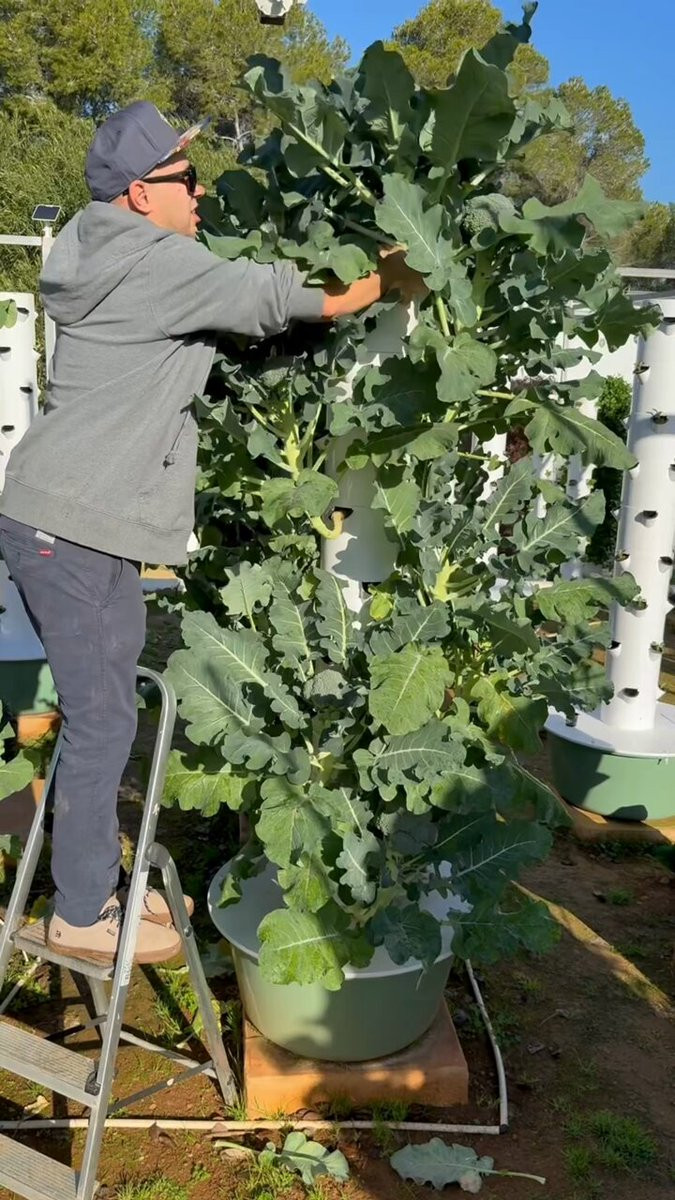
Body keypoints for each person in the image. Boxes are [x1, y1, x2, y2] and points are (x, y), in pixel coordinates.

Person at [0, 102, 422, 966]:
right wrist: (389, 277)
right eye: (186, 178)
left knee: (106, 711)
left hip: (70, 515)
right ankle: (80, 913)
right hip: (72, 524)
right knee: (102, 721)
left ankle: (93, 884)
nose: (200, 192)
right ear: (138, 195)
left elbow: (217, 348)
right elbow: (282, 296)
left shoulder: (101, 253)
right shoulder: (156, 261)